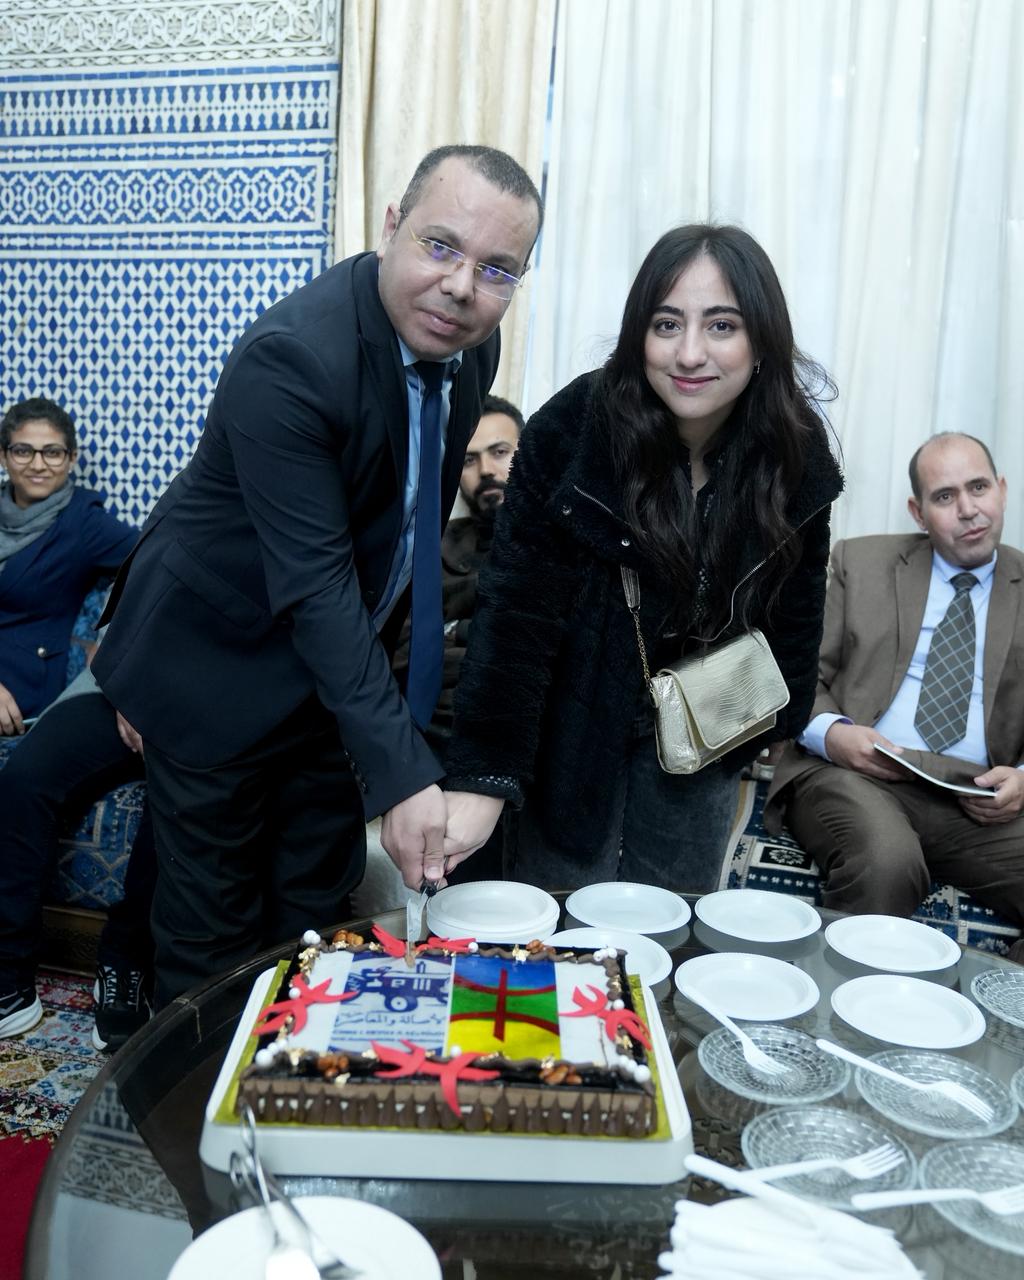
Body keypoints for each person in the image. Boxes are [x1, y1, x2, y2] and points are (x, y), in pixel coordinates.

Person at [93, 145, 543, 1005]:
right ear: (391, 225)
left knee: (311, 920)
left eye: (496, 270)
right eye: (440, 246)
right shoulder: (292, 358)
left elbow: (398, 537)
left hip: (327, 681)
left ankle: (299, 1080)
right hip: (214, 667)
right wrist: (404, 772)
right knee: (213, 946)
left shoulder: (469, 352)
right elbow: (317, 585)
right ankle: (201, 1093)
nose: (461, 287)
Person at [438, 224, 844, 892]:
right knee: (563, 918)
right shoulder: (572, 430)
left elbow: (796, 602)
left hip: (708, 722)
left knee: (674, 920)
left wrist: (782, 715)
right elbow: (515, 618)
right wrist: (486, 773)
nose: (690, 353)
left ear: (762, 341)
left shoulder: (793, 451)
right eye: (666, 324)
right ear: (638, 336)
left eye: (721, 325)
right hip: (575, 723)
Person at [764, 433, 1024, 956]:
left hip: (972, 797)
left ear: (1001, 489)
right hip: (856, 775)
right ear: (918, 512)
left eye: (978, 488)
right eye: (945, 496)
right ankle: (839, 1004)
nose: (968, 509)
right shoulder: (859, 562)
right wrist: (834, 735)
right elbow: (796, 675)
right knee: (887, 861)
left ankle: (1000, 1003)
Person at [0, 666, 157, 1049]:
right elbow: (110, 639)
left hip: (206, 704)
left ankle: (126, 961)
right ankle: (9, 982)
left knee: (182, 793)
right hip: (116, 683)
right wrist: (130, 688)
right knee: (25, 778)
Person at [392, 393, 524, 751]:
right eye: (468, 459)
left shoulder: (564, 542)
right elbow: (404, 655)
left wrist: (454, 632)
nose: (486, 470)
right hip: (436, 739)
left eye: (500, 452)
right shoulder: (431, 548)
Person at [0, 397, 137, 734]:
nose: (37, 464)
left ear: (71, 458)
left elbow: (154, 562)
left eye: (52, 452)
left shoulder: (84, 523)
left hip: (24, 692)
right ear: (3, 456)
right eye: (23, 451)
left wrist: (109, 641)